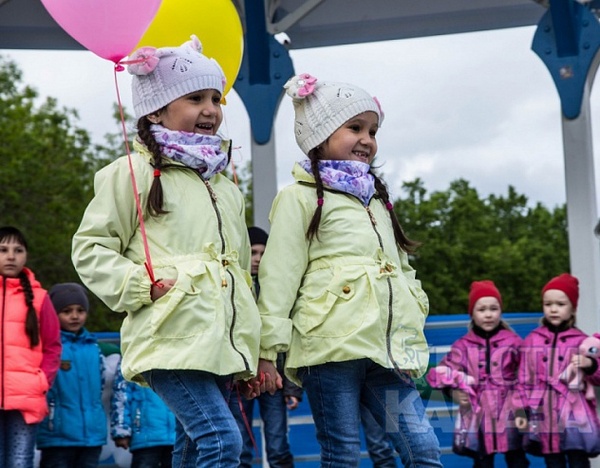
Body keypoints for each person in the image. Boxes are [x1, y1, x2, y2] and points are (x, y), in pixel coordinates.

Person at [71, 35, 262, 467]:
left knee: (194, 446)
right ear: (155, 108)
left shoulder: (224, 186)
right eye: (195, 97)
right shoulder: (132, 172)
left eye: (216, 98)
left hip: (218, 343)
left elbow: (240, 276)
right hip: (169, 335)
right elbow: (90, 246)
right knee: (222, 441)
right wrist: (142, 285)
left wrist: (251, 349)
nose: (211, 109)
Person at [254, 73, 442, 467]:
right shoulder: (299, 199)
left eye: (373, 130)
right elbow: (279, 276)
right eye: (355, 127)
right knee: (342, 456)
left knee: (421, 449)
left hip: (385, 357)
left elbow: (402, 269)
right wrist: (267, 351)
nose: (367, 139)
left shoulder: (376, 201)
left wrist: (414, 312)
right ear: (320, 134)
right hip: (330, 353)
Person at [426, 280, 529, 467]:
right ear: (472, 313)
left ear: (500, 311)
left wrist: (522, 407)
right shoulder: (463, 345)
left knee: (517, 459)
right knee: (482, 460)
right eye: (481, 309)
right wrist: (454, 393)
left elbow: (527, 375)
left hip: (510, 411)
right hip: (477, 414)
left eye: (494, 308)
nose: (488, 314)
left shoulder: (513, 341)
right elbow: (443, 373)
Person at [229, 226, 302, 468]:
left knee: (278, 446)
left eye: (263, 253)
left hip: (274, 381)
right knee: (240, 447)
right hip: (239, 379)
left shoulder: (278, 291)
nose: (258, 259)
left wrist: (292, 388)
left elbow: (288, 341)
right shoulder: (233, 288)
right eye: (253, 252)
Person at [516, 273, 600, 467]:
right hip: (544, 412)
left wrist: (591, 365)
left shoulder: (582, 340)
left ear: (572, 308)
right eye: (548, 304)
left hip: (575, 412)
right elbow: (523, 379)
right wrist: (522, 410)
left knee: (578, 459)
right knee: (553, 460)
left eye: (560, 304)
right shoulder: (532, 340)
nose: (553, 309)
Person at [0, 226, 61, 468]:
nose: (11, 256)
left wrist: (41, 382)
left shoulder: (40, 298)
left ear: (26, 256)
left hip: (27, 396)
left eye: (18, 250)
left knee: (20, 461)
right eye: (3, 250)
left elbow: (53, 346)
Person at [36, 282, 107, 467]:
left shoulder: (93, 347)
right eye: (67, 311)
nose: (75, 316)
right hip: (58, 434)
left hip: (92, 435)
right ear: (54, 313)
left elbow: (100, 384)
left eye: (80, 310)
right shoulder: (48, 347)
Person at [111, 361, 176, 468]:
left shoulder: (177, 353)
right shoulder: (133, 354)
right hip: (145, 436)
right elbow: (121, 396)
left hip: (176, 437)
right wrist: (121, 431)